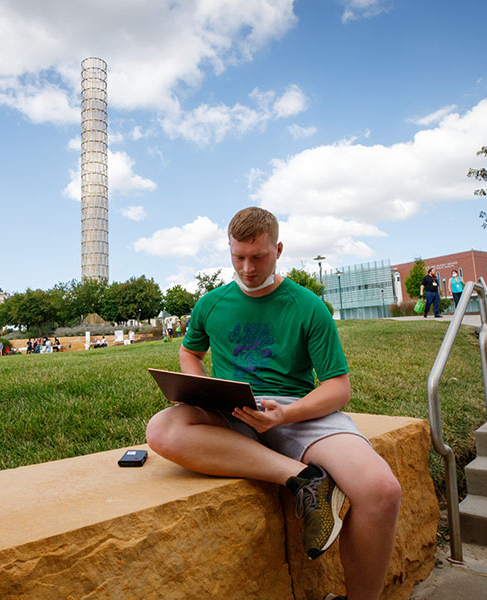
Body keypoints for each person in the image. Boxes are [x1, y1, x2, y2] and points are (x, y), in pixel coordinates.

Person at [145, 207, 400, 600]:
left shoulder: (307, 305)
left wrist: (288, 413)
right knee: (161, 428)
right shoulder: (210, 303)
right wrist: (199, 388)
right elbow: (188, 351)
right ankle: (305, 480)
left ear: (278, 250)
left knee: (381, 490)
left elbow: (338, 388)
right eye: (238, 257)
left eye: (258, 257)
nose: (247, 268)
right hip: (231, 411)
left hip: (295, 412)